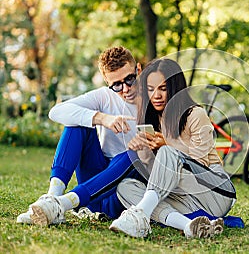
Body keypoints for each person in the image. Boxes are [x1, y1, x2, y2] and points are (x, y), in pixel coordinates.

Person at [108, 58, 237, 238]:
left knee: (167, 152)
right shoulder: (154, 119)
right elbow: (157, 176)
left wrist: (167, 145)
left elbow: (201, 162)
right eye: (151, 89)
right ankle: (188, 225)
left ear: (175, 88)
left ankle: (140, 214)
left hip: (214, 193)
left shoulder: (195, 114)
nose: (156, 96)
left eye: (162, 88)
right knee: (126, 187)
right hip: (184, 198)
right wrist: (143, 147)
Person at [17, 46, 143, 224]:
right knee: (77, 123)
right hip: (93, 191)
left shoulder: (155, 97)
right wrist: (101, 118)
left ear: (138, 69)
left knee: (135, 154)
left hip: (122, 193)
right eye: (117, 85)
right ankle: (52, 200)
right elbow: (56, 112)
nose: (126, 89)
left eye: (130, 79)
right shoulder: (104, 97)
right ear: (108, 84)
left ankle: (63, 204)